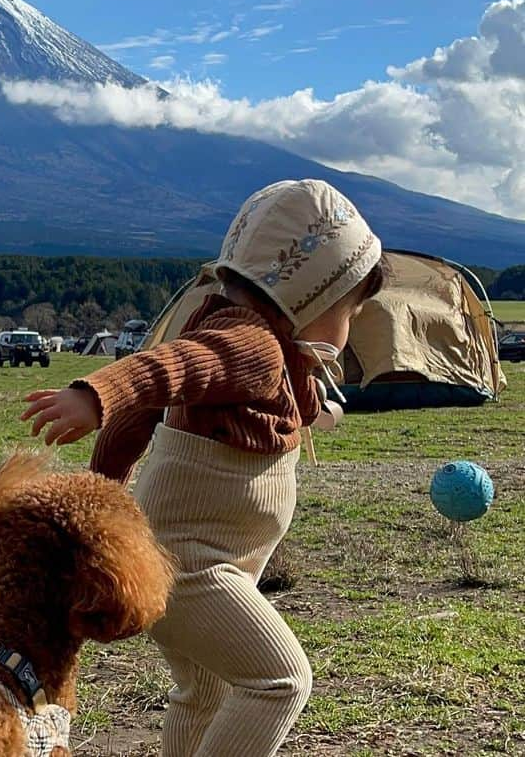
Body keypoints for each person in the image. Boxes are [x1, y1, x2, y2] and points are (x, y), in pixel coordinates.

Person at [20, 179, 384, 757]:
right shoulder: (250, 346)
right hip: (191, 566)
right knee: (280, 681)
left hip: (204, 560)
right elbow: (165, 368)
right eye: (350, 311)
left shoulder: (268, 348)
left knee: (203, 694)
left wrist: (103, 489)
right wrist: (99, 394)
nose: (347, 329)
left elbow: (151, 411)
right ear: (310, 299)